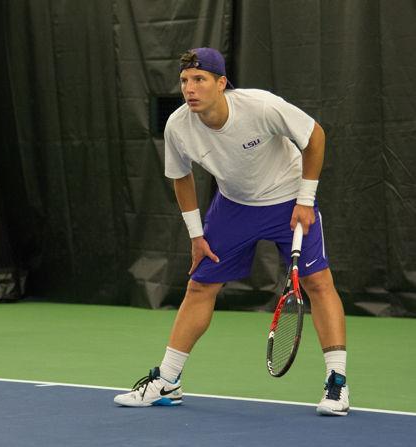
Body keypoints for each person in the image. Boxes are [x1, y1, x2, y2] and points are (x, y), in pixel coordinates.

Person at [114, 48, 349, 416]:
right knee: (199, 286)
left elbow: (314, 136)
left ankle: (337, 384)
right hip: (234, 207)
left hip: (289, 200)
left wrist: (306, 198)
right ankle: (167, 381)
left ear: (221, 83)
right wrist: (196, 235)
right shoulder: (178, 125)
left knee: (318, 283)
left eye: (199, 80)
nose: (190, 89)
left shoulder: (260, 106)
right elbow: (181, 177)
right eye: (184, 81)